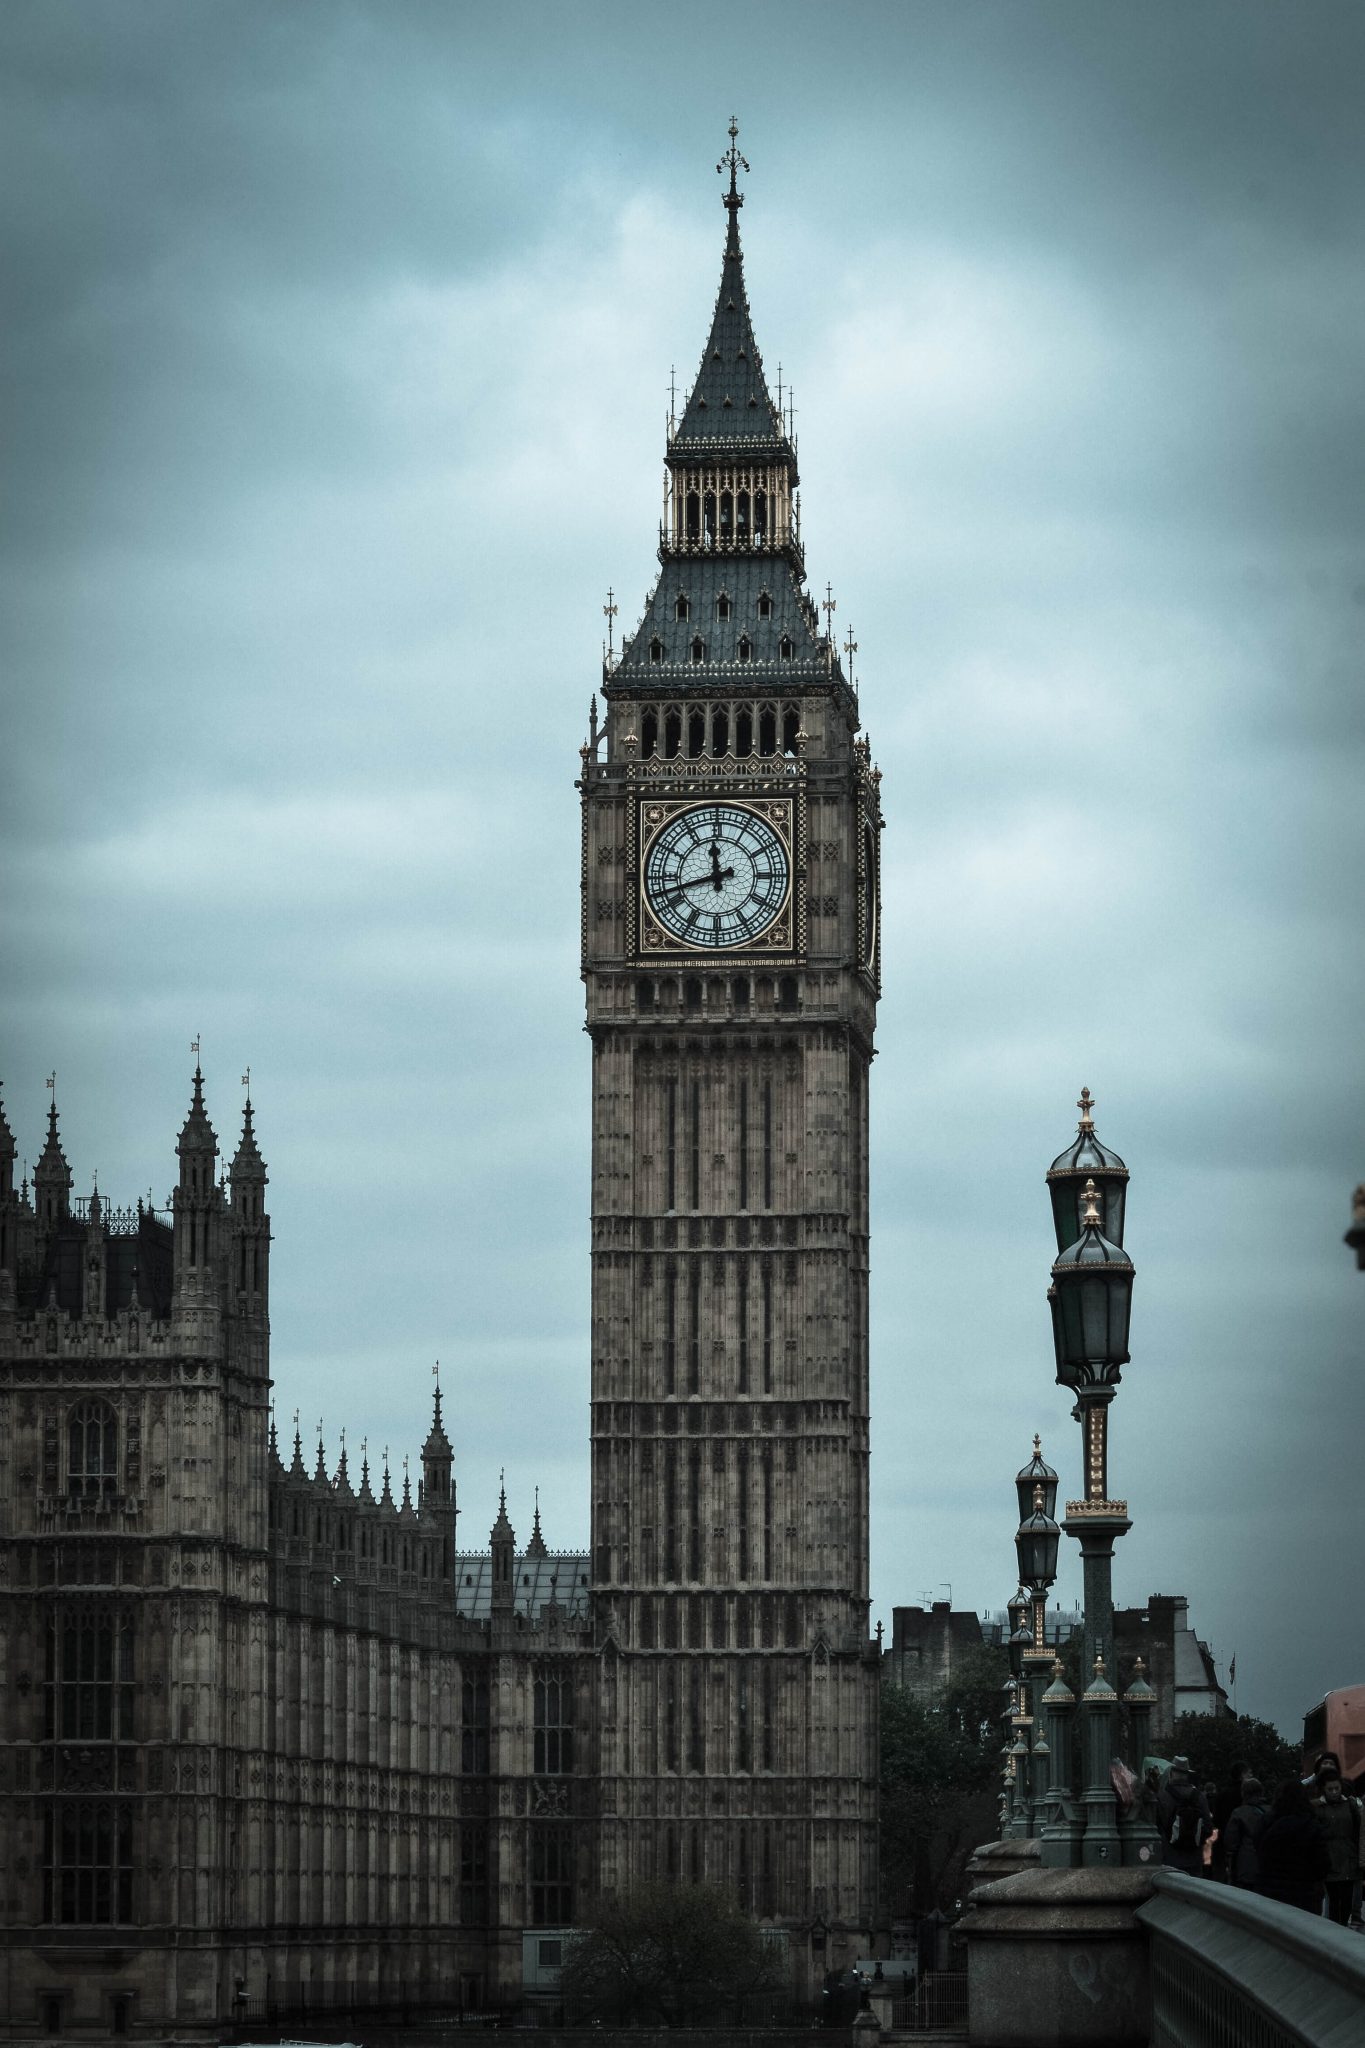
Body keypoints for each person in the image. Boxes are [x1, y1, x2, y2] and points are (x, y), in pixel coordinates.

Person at [1256, 1779, 1329, 1915]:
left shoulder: (1266, 1823)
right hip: (1305, 1895)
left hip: (1271, 1893)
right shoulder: (1311, 1825)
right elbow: (1322, 1865)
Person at [1311, 1773, 1361, 1927]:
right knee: (1333, 1900)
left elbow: (1358, 1831)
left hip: (1348, 1856)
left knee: (1346, 1901)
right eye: (1330, 1789)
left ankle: (1343, 1927)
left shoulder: (1350, 1805)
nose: (1334, 1792)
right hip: (1329, 1859)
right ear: (1324, 1790)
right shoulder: (1317, 1807)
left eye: (1336, 1788)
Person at [1156, 1757, 1213, 1875]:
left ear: (1171, 1773)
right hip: (1194, 1860)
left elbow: (1155, 1827)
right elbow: (1208, 1828)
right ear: (1187, 1775)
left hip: (1170, 1859)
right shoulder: (1199, 1796)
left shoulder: (1162, 1796)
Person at [1221, 1777, 1269, 1890]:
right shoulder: (1270, 1812)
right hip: (1266, 1866)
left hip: (1245, 1867)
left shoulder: (1239, 1813)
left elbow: (1230, 1842)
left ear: (1243, 1793)